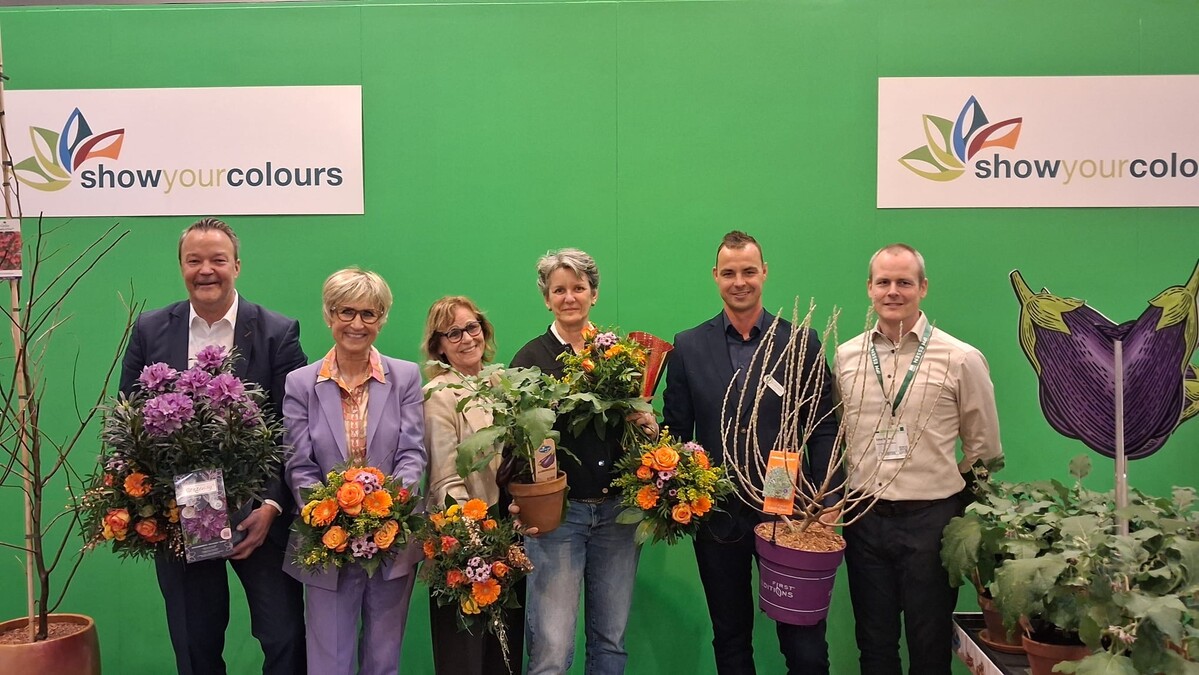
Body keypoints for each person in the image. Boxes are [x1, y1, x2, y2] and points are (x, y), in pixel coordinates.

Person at [118, 217, 306, 675]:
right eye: (194, 260)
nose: (206, 270)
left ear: (236, 265)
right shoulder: (150, 329)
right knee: (195, 641)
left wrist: (271, 505)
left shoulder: (277, 332)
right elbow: (128, 417)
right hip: (181, 510)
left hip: (257, 510)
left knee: (284, 636)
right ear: (181, 267)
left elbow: (293, 428)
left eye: (218, 260)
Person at [662, 230, 839, 675]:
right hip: (717, 511)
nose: (739, 282)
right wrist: (677, 489)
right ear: (715, 276)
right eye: (729, 273)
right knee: (731, 637)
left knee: (804, 644)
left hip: (789, 509)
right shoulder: (688, 346)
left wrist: (828, 500)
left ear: (764, 272)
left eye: (748, 271)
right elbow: (677, 431)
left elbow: (824, 426)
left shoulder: (800, 342)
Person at [834, 243, 1002, 675]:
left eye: (904, 282)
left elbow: (984, 450)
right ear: (869, 288)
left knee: (929, 650)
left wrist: (942, 492)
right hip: (864, 519)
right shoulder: (846, 357)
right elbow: (839, 434)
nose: (893, 291)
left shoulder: (961, 359)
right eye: (884, 282)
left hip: (932, 524)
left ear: (923, 287)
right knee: (874, 646)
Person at [510, 248, 656, 675]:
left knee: (610, 641)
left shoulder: (621, 355)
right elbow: (517, 444)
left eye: (578, 287)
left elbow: (637, 430)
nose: (569, 297)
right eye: (559, 290)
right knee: (552, 650)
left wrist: (649, 424)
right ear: (546, 299)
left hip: (618, 514)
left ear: (594, 294)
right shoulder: (530, 360)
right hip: (558, 517)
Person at [282, 267, 427, 675]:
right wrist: (332, 516)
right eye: (346, 312)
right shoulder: (300, 383)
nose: (357, 324)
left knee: (383, 660)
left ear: (382, 319)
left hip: (391, 539)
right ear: (329, 315)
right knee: (329, 662)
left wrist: (384, 513)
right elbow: (299, 464)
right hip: (324, 542)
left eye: (369, 314)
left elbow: (412, 454)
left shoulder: (405, 377)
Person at [421, 295, 524, 674]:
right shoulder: (438, 395)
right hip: (464, 540)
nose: (466, 338)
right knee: (464, 657)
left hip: (509, 536)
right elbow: (445, 480)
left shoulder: (502, 383)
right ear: (439, 346)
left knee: (504, 656)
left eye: (471, 327)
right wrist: (475, 544)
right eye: (453, 333)